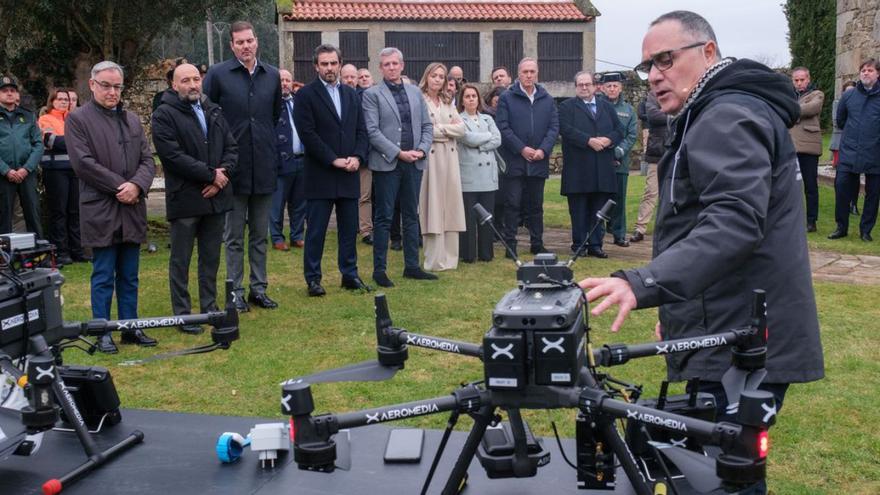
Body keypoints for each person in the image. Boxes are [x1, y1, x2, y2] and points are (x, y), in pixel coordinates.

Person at [579, 11, 824, 460]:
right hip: (726, 325)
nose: (654, 76)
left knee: (726, 472)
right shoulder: (713, 110)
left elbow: (733, 223)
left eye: (666, 60)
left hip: (743, 339)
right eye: (648, 66)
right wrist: (679, 315)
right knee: (719, 466)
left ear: (707, 51)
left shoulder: (726, 114)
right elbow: (702, 221)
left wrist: (643, 282)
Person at [67, 61, 157, 353]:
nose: (112, 91)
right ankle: (102, 330)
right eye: (106, 85)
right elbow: (83, 164)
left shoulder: (131, 119)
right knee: (103, 274)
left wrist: (137, 186)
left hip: (131, 209)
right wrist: (122, 186)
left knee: (130, 275)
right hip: (101, 208)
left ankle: (130, 327)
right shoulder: (78, 120)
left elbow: (147, 160)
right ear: (92, 84)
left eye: (117, 86)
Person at [151, 63, 237, 334]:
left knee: (210, 257)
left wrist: (221, 177)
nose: (192, 84)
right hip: (187, 198)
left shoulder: (212, 109)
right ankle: (183, 315)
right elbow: (172, 156)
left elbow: (232, 147)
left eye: (196, 79)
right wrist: (211, 175)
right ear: (174, 85)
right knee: (181, 260)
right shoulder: (164, 114)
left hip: (215, 198)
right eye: (185, 80)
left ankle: (210, 309)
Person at [204, 21, 282, 311]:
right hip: (231, 169)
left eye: (249, 41)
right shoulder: (218, 75)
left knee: (260, 235)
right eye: (240, 42)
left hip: (263, 166)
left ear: (257, 41)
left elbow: (272, 117)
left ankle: (258, 289)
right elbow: (209, 118)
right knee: (234, 237)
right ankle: (235, 290)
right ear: (232, 45)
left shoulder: (272, 76)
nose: (246, 46)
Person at [293, 44, 370, 296]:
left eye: (333, 63)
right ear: (316, 66)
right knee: (316, 231)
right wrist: (333, 160)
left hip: (349, 172)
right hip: (320, 173)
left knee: (349, 229)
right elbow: (307, 134)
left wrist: (358, 156)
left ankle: (350, 274)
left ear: (340, 64)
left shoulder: (351, 94)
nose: (329, 68)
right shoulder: (305, 95)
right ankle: (313, 279)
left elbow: (361, 130)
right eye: (324, 64)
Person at [362, 47, 435, 287]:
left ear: (402, 65)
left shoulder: (415, 93)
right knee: (383, 217)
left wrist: (422, 149)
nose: (391, 67)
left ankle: (412, 266)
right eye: (386, 64)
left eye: (395, 63)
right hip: (388, 163)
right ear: (380, 68)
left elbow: (427, 126)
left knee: (411, 216)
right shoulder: (372, 95)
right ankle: (379, 270)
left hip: (414, 163)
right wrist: (399, 153)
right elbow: (372, 131)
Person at [495, 58, 559, 257]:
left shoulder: (547, 99)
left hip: (538, 161)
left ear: (537, 73)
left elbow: (554, 127)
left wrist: (543, 149)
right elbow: (503, 127)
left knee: (536, 206)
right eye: (525, 72)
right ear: (518, 74)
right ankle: (510, 245)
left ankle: (537, 243)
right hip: (515, 160)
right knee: (512, 204)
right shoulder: (507, 98)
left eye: (532, 71)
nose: (529, 75)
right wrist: (521, 148)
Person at [559, 71, 623, 258]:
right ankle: (579, 244)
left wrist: (608, 140)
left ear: (595, 86)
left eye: (588, 84)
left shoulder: (607, 106)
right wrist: (588, 140)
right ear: (576, 87)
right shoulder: (566, 107)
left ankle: (596, 245)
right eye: (581, 85)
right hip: (578, 168)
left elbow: (619, 130)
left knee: (599, 208)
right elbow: (566, 129)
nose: (585, 87)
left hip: (602, 166)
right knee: (578, 209)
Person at [419, 63, 466, 271]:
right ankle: (434, 260)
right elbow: (425, 130)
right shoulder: (419, 99)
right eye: (434, 75)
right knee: (432, 206)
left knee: (451, 206)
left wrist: (440, 129)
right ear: (427, 77)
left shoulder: (448, 101)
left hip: (450, 159)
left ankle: (450, 258)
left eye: (441, 76)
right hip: (430, 160)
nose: (438, 79)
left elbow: (462, 129)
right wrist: (444, 131)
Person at [829, 59, 880, 242]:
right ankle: (841, 227)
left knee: (873, 194)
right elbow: (841, 120)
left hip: (875, 153)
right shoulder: (849, 96)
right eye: (863, 70)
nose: (866, 73)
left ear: (877, 74)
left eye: (870, 70)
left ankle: (865, 231)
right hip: (849, 151)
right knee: (842, 188)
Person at [38, 88, 85, 265]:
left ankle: (77, 250)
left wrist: (66, 141)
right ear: (52, 101)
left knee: (75, 211)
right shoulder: (45, 119)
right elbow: (51, 141)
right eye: (60, 99)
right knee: (59, 212)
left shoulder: (74, 119)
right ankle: (61, 252)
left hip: (75, 169)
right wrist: (74, 142)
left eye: (66, 99)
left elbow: (85, 142)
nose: (64, 102)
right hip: (55, 169)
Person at [457, 83, 501, 263]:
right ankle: (468, 254)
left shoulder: (488, 119)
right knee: (468, 216)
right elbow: (466, 138)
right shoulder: (458, 119)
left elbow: (498, 139)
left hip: (488, 176)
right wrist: (486, 138)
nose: (471, 99)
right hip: (468, 174)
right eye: (467, 96)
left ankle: (486, 253)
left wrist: (480, 143)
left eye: (474, 96)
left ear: (478, 99)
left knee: (487, 216)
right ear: (462, 100)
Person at [0, 75, 43, 238]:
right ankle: (4, 259)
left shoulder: (29, 116)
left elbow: (38, 144)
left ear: (17, 94)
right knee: (4, 216)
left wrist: (26, 168)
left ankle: (40, 255)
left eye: (12, 90)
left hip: (27, 174)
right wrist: (6, 170)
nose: (9, 93)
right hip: (3, 175)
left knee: (33, 213)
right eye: (4, 91)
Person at [270, 69, 306, 251]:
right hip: (280, 162)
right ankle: (277, 238)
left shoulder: (299, 102)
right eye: (281, 80)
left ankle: (297, 236)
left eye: (287, 80)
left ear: (292, 83)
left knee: (300, 203)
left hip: (301, 160)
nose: (284, 83)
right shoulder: (270, 104)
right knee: (277, 204)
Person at [600, 73, 638, 247]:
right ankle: (597, 235)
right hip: (600, 159)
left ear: (621, 88)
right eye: (609, 86)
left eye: (615, 86)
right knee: (599, 199)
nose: (612, 89)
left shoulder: (629, 110)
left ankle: (619, 234)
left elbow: (632, 135)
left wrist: (619, 150)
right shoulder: (597, 106)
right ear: (603, 88)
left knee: (619, 200)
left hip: (620, 162)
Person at [789, 67, 824, 233]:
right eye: (796, 80)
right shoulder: (788, 96)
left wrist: (789, 109)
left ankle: (811, 221)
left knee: (810, 187)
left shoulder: (817, 94)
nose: (799, 83)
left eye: (802, 79)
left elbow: (812, 108)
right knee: (789, 186)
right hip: (789, 148)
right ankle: (791, 219)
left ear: (808, 79)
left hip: (808, 147)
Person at [630, 91, 667, 243]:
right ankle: (640, 229)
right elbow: (653, 116)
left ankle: (668, 229)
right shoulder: (653, 95)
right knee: (651, 192)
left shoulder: (681, 91)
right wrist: (676, 114)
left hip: (678, 149)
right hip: (657, 151)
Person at [345, 66, 374, 246]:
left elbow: (366, 129)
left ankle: (365, 230)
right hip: (342, 156)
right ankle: (350, 227)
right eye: (346, 77)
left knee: (364, 195)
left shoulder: (365, 98)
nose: (350, 80)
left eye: (352, 77)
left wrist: (360, 154)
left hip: (362, 154)